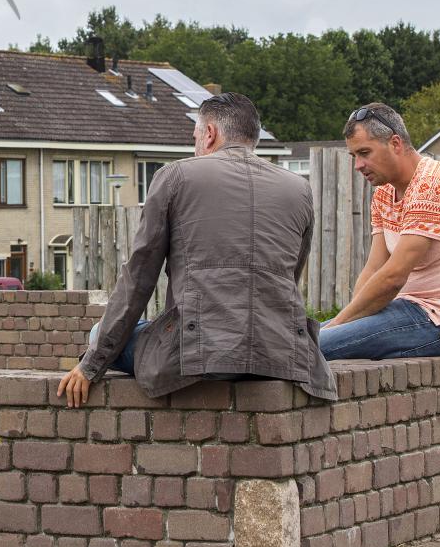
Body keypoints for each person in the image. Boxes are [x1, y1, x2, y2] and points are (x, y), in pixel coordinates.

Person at [57, 93, 337, 408]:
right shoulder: (299, 189)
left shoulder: (175, 177)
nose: (194, 146)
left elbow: (138, 280)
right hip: (279, 354)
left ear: (210, 133)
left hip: (201, 357)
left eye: (195, 137)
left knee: (99, 331)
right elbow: (290, 277)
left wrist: (91, 365)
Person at [319, 103, 440, 360]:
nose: (358, 165)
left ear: (396, 144)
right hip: (403, 310)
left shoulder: (433, 183)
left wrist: (338, 325)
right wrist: (348, 321)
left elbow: (393, 276)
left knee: (308, 349)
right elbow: (375, 268)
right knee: (298, 339)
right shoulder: (384, 193)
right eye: (353, 156)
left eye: (364, 152)